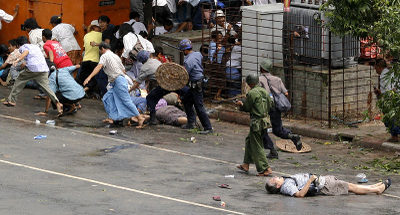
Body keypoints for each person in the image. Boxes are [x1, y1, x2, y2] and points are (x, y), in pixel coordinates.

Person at [83, 42, 144, 128]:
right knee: (107, 98)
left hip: (118, 81)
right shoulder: (116, 56)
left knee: (126, 101)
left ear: (102, 49)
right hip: (116, 81)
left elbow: (99, 67)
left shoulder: (104, 56)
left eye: (100, 51)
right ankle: (113, 117)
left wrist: (89, 77)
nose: (100, 52)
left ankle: (139, 117)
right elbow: (123, 70)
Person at [2, 36, 63, 116]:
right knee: (46, 87)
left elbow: (26, 52)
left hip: (33, 68)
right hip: (43, 68)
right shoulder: (35, 46)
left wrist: (17, 60)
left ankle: (11, 100)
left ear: (17, 45)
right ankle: (57, 103)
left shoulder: (23, 47)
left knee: (19, 80)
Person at [258, 59, 302, 159]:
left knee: (262, 130)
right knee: (277, 130)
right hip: (276, 107)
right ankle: (292, 136)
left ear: (261, 68)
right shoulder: (277, 79)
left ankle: (272, 150)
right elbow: (286, 93)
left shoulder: (259, 79)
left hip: (265, 107)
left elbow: (258, 93)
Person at [235, 74, 273, 176]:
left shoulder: (251, 93)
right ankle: (246, 164)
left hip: (256, 122)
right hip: (265, 121)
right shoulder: (265, 91)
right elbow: (271, 104)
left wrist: (241, 105)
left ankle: (265, 168)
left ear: (250, 83)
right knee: (249, 140)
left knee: (257, 145)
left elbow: (247, 107)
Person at [179, 39, 213, 134]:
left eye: (183, 51)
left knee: (199, 107)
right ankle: (191, 122)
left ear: (185, 50)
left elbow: (185, 75)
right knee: (186, 101)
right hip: (199, 82)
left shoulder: (188, 61)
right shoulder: (198, 54)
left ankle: (208, 128)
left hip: (196, 84)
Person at [266, 173, 391, 197]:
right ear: (277, 186)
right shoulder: (286, 187)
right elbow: (299, 194)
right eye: (274, 180)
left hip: (323, 181)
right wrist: (310, 180)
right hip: (324, 186)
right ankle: (377, 190)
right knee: (351, 187)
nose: (276, 177)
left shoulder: (286, 182)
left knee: (349, 185)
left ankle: (373, 187)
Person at [374, 59, 399, 142]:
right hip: (395, 97)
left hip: (390, 99)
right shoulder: (390, 73)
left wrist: (379, 93)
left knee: (390, 118)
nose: (376, 70)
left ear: (379, 67)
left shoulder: (384, 75)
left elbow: (389, 90)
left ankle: (395, 135)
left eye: (376, 68)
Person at [77, 20, 102, 95]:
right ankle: (86, 89)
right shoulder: (101, 34)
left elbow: (85, 48)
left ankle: (84, 90)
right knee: (95, 78)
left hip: (85, 59)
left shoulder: (86, 35)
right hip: (95, 60)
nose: (100, 28)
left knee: (84, 77)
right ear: (95, 27)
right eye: (99, 27)